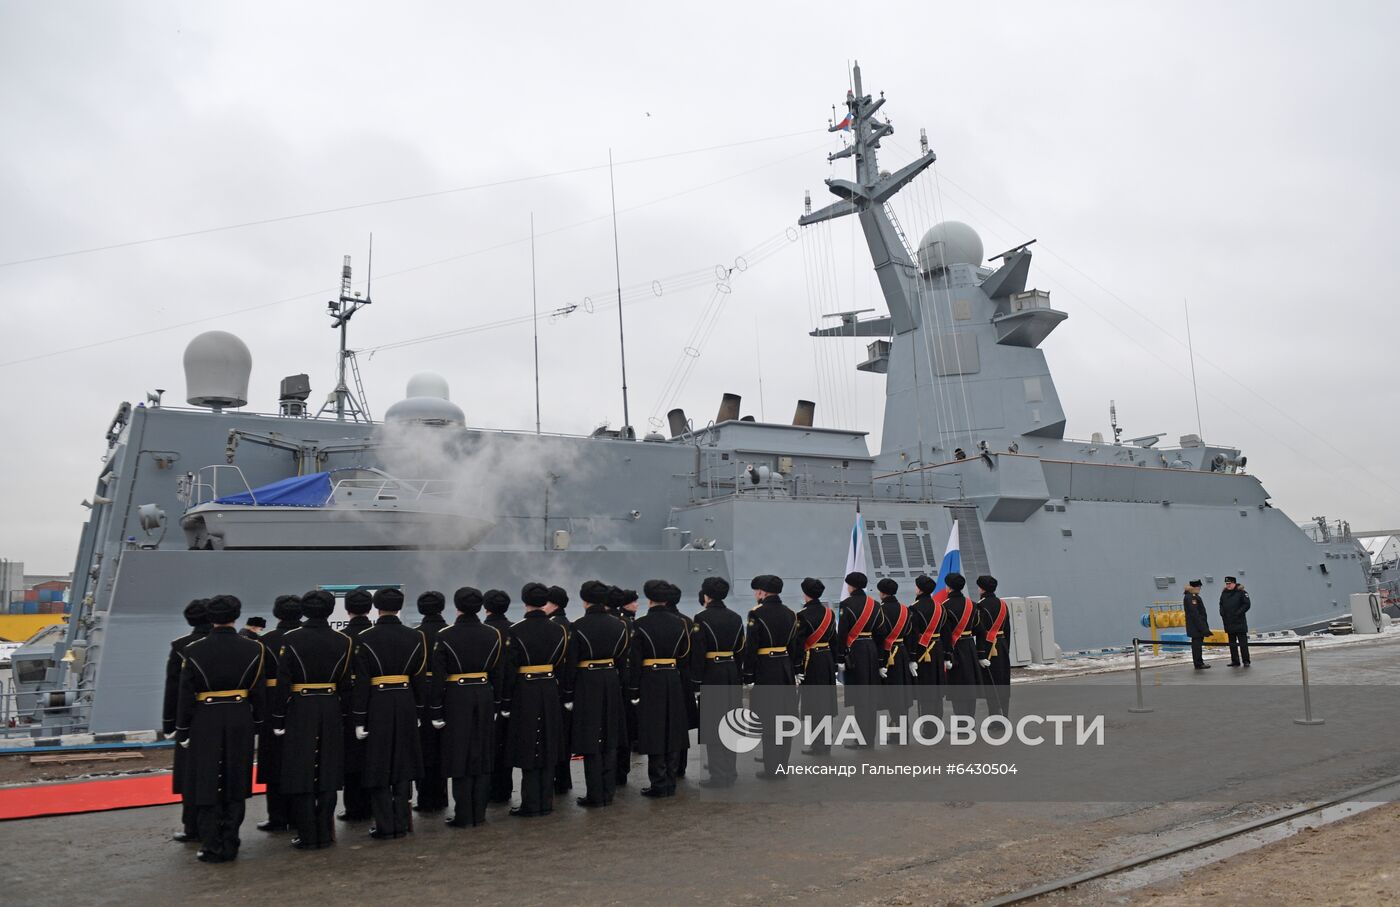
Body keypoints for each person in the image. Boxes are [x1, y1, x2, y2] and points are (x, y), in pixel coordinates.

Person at [173, 594, 265, 863]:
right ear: (236, 616)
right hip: (240, 717)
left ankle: (211, 844)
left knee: (207, 781)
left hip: (205, 718)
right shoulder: (254, 649)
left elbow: (185, 695)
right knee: (236, 781)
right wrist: (258, 723)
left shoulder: (193, 650)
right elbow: (258, 692)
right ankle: (231, 841)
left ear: (211, 618)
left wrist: (182, 729)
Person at [271, 589, 350, 850]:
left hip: (300, 707)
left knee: (302, 770)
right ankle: (325, 832)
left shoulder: (291, 639)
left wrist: (279, 718)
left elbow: (283, 682)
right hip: (330, 706)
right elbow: (346, 685)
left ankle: (307, 834)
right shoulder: (343, 641)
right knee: (328, 771)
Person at [350, 588, 428, 840]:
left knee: (380, 761)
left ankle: (385, 824)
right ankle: (403, 821)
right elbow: (418, 679)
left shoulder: (364, 637)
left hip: (378, 703)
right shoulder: (415, 636)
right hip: (405, 701)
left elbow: (362, 683)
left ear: (376, 607)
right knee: (404, 762)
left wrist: (359, 718)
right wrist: (418, 710)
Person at [429, 585, 506, 828]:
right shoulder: (493, 634)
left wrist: (436, 710)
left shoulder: (445, 635)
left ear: (457, 607)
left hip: (456, 697)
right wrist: (495, 704)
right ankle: (479, 813)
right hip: (484, 695)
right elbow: (498, 673)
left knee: (459, 754)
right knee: (482, 754)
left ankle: (463, 814)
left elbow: (439, 678)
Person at [502, 585, 570, 817]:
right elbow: (561, 663)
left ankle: (531, 802)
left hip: (525, 690)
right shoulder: (558, 630)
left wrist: (505, 701)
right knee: (549, 741)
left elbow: (510, 670)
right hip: (550, 688)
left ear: (525, 601)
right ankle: (546, 800)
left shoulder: (515, 630)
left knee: (528, 743)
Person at [568, 580, 630, 807]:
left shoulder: (577, 626)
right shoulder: (619, 625)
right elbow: (623, 661)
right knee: (610, 736)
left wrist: (568, 691)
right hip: (611, 680)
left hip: (587, 681)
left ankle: (595, 793)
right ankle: (608, 791)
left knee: (591, 737)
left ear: (584, 600)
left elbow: (572, 662)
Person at [628, 580, 691, 797]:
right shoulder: (680, 623)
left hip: (650, 680)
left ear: (649, 598)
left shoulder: (640, 625)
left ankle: (658, 782)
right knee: (673, 729)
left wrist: (634, 689)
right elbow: (684, 655)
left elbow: (634, 660)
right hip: (673, 678)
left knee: (654, 730)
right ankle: (671, 782)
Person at [162, 598, 210, 844]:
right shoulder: (243, 645)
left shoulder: (182, 647)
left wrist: (171, 724)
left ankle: (192, 826)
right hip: (233, 715)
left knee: (193, 775)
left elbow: (174, 689)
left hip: (193, 719)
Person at [690, 575, 744, 787]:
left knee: (714, 725)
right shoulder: (736, 617)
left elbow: (698, 653)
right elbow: (741, 649)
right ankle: (730, 770)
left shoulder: (701, 618)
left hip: (712, 673)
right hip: (731, 672)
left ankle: (719, 774)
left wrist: (696, 682)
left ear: (706, 595)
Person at [255, 594, 302, 833]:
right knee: (301, 758)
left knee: (274, 759)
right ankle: (301, 814)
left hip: (273, 702)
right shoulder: (306, 638)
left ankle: (277, 815)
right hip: (304, 702)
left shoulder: (264, 641)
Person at [743, 575, 798, 778]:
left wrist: (748, 675)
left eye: (756, 591)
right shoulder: (791, 613)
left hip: (766, 670)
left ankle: (771, 768)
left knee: (768, 719)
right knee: (784, 717)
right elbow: (794, 646)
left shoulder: (756, 613)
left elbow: (751, 647)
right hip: (785, 668)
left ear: (762, 592)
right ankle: (781, 764)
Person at [338, 588, 376, 822]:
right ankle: (376, 802)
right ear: (370, 608)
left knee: (352, 756)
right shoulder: (375, 634)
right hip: (380, 698)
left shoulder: (342, 637)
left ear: (347, 609)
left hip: (348, 699)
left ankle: (354, 807)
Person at [412, 590, 450, 813]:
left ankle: (428, 799)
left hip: (422, 693)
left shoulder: (415, 634)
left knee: (426, 748)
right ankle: (444, 795)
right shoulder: (450, 632)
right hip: (451, 691)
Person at [835, 571, 879, 747]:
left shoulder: (846, 604)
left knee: (860, 697)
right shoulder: (874, 604)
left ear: (851, 586)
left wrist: (840, 657)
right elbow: (880, 631)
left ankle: (862, 739)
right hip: (872, 650)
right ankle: (870, 737)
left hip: (856, 651)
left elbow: (842, 633)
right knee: (870, 697)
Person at [794, 577, 837, 756]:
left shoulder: (802, 616)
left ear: (805, 594)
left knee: (813, 703)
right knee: (826, 701)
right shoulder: (829, 613)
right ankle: (825, 740)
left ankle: (818, 744)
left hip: (811, 661)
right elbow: (833, 639)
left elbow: (798, 644)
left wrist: (797, 668)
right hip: (826, 659)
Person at [481, 589, 515, 803]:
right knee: (507, 744)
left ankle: (489, 791)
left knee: (486, 745)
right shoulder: (515, 629)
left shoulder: (484, 631)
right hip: (513, 694)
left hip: (486, 693)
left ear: (486, 608)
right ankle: (505, 789)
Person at [661, 581, 697, 778]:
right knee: (680, 723)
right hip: (682, 677)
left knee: (660, 722)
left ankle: (662, 768)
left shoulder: (649, 621)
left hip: (658, 677)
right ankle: (679, 765)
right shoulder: (687, 621)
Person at [607, 585, 640, 786]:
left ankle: (613, 771)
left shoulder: (620, 622)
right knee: (624, 726)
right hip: (624, 678)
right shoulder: (625, 623)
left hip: (611, 679)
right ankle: (621, 770)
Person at [543, 584, 574, 795]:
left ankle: (558, 780)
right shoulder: (570, 625)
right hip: (569, 689)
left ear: (552, 604)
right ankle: (564, 779)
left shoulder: (552, 627)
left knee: (553, 737)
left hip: (554, 688)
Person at [873, 578, 914, 722]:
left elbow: (877, 635)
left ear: (882, 593)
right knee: (902, 692)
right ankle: (902, 724)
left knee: (890, 692)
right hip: (902, 652)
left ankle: (896, 725)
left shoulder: (879, 610)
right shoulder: (906, 610)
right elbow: (909, 633)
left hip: (885, 654)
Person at [941, 573, 980, 717]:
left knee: (957, 687)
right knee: (970, 686)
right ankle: (970, 721)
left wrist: (946, 654)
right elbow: (978, 629)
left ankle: (962, 724)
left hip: (954, 648)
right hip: (969, 647)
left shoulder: (944, 607)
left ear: (949, 587)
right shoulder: (973, 605)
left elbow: (944, 634)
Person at [906, 575, 946, 716]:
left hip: (921, 651)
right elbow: (945, 633)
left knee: (925, 690)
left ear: (920, 590)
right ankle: (937, 721)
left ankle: (928, 727)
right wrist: (947, 655)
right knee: (937, 688)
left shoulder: (913, 609)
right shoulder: (940, 608)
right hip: (938, 650)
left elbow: (911, 635)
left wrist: (911, 657)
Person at [974, 576, 1010, 717]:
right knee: (1003, 681)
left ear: (982, 589)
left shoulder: (980, 605)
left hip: (988, 646)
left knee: (991, 683)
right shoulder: (1003, 604)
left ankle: (995, 717)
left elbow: (981, 631)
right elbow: (1007, 629)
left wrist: (981, 652)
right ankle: (1004, 714)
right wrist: (1007, 648)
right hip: (1002, 644)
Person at [1220, 576, 1251, 667]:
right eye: (1227, 584)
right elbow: (1221, 604)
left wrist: (1238, 613)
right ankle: (1235, 661)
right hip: (1228, 622)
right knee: (1232, 644)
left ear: (1234, 583)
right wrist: (1222, 613)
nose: (1228, 585)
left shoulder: (1241, 592)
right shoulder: (1224, 593)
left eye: (1229, 584)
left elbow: (1247, 604)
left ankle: (1246, 660)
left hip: (1239, 622)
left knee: (1243, 643)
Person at [1183, 580, 1211, 670]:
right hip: (1196, 627)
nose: (1200, 589)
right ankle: (1198, 663)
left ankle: (1199, 662)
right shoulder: (1192, 597)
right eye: (1199, 587)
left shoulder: (1191, 596)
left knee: (1197, 645)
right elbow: (1195, 614)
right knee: (1197, 646)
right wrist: (1203, 628)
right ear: (1195, 587)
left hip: (1195, 626)